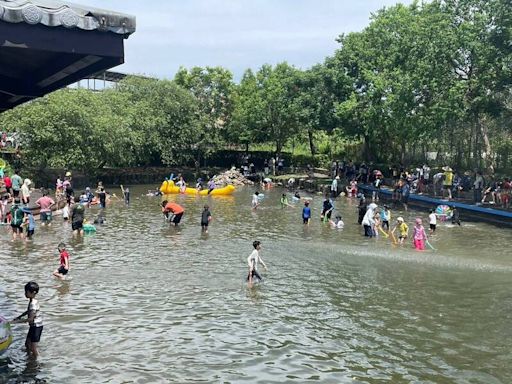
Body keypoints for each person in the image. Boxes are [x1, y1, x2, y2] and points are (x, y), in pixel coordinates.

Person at [11, 281, 43, 357]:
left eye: (27, 292)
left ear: (33, 293)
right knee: (27, 344)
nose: (25, 293)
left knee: (33, 347)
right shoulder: (33, 301)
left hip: (36, 327)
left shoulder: (33, 304)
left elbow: (30, 319)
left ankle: (37, 361)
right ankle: (29, 357)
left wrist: (18, 321)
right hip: (33, 326)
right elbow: (28, 311)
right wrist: (20, 316)